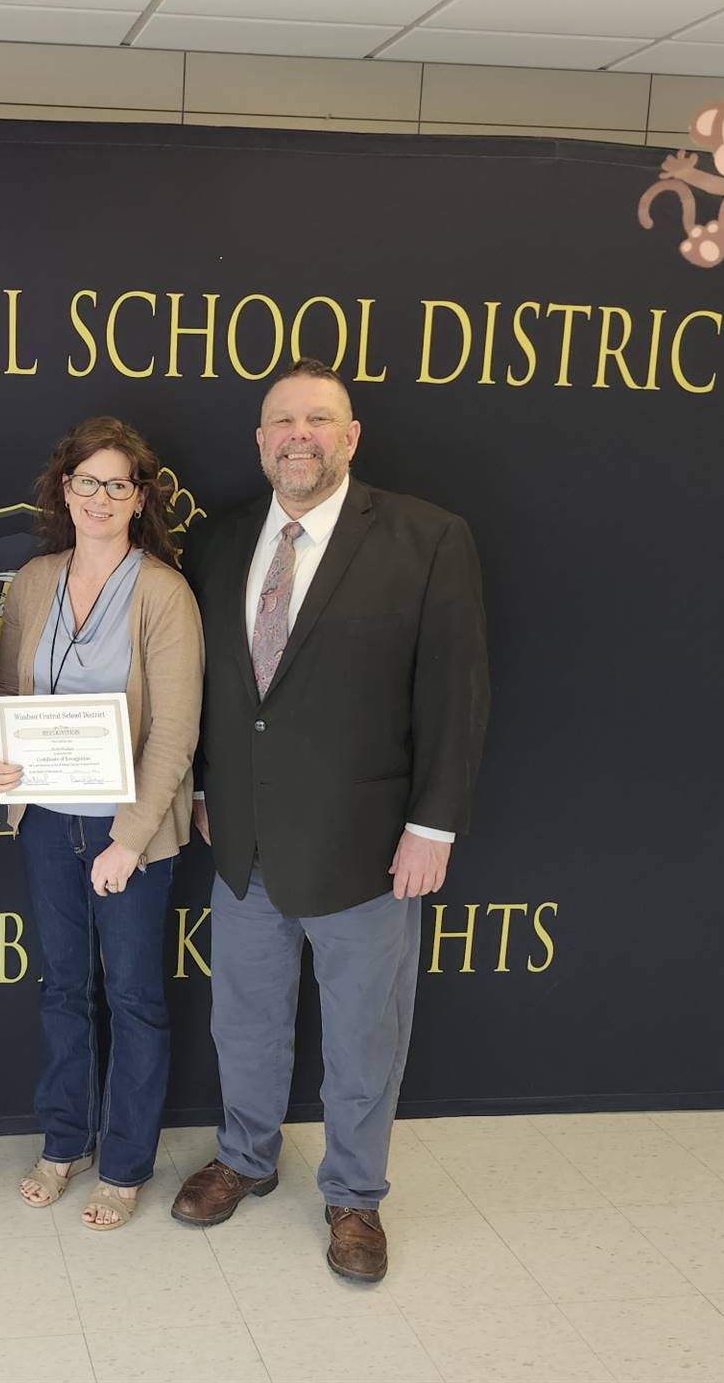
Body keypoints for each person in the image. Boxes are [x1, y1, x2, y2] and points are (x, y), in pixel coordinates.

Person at [171, 359, 488, 1282]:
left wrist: (435, 827)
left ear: (350, 438)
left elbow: (456, 695)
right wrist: (198, 790)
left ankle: (355, 1197)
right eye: (281, 421)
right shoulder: (222, 542)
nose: (298, 435)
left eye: (319, 419)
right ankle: (246, 1158)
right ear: (260, 441)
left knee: (363, 1037)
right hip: (244, 844)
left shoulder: (428, 538)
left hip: (368, 851)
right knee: (246, 1023)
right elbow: (219, 693)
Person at [0, 416, 203, 1231]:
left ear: (140, 499)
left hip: (128, 838)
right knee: (61, 991)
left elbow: (176, 731)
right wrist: (1, 761)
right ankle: (64, 1139)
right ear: (63, 491)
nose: (100, 497)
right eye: (86, 482)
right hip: (46, 824)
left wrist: (130, 841)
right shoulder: (34, 580)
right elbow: (7, 693)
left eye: (118, 484)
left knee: (138, 998)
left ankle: (125, 1162)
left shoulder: (164, 592)